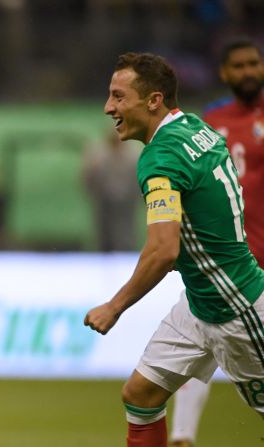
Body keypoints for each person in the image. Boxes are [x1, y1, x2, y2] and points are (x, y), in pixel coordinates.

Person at [84, 52, 264, 447]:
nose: (108, 107)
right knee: (141, 395)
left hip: (236, 308)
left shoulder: (160, 158)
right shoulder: (194, 127)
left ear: (153, 100)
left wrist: (114, 306)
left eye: (118, 96)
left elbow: (163, 251)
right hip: (200, 304)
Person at [168, 37, 264, 447]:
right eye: (238, 66)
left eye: (253, 64)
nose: (248, 72)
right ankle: (182, 437)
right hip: (226, 264)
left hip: (256, 268)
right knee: (194, 352)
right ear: (224, 74)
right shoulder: (209, 122)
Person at [82, 128, 141, 252]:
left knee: (126, 232)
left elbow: (138, 178)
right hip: (104, 200)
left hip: (126, 202)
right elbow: (88, 176)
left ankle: (126, 258)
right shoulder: (97, 154)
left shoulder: (133, 155)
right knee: (104, 234)